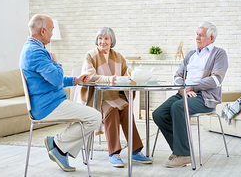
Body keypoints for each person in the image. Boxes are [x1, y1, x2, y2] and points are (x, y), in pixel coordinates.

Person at [19, 14, 102, 172]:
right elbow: (56, 79)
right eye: (51, 30)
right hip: (47, 106)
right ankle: (57, 145)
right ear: (43, 31)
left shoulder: (32, 49)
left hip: (51, 102)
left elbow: (50, 80)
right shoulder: (35, 52)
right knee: (95, 117)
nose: (52, 33)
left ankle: (59, 148)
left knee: (87, 117)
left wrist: (75, 80)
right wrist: (55, 61)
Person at [74, 27, 152, 167]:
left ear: (112, 41)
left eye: (106, 39)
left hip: (115, 95)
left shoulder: (118, 56)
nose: (102, 42)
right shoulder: (90, 55)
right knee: (112, 111)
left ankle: (135, 151)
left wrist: (135, 74)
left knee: (127, 109)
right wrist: (109, 79)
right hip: (98, 97)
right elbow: (90, 76)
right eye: (100, 38)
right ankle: (114, 153)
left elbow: (127, 71)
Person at [152, 21, 228, 168]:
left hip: (205, 97)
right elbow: (177, 75)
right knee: (159, 114)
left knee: (178, 107)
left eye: (201, 35)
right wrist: (183, 88)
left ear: (211, 38)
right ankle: (179, 149)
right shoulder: (191, 54)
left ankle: (184, 155)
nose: (197, 38)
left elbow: (216, 79)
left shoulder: (219, 54)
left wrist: (192, 87)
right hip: (184, 93)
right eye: (197, 34)